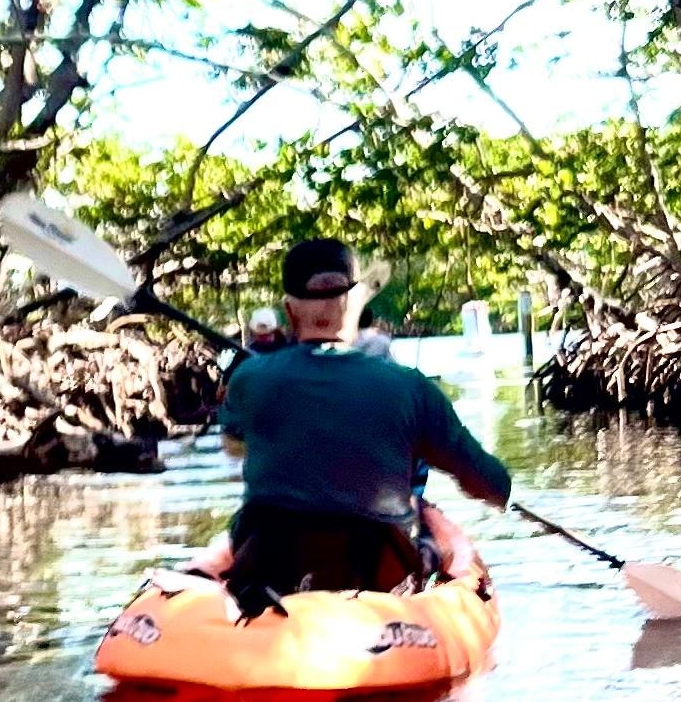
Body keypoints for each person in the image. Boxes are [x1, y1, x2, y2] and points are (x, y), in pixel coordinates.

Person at [199, 237, 515, 616]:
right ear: (356, 303)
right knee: (426, 535)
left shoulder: (249, 379)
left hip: (274, 570)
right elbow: (490, 485)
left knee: (259, 520)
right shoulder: (411, 387)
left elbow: (235, 445)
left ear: (288, 311)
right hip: (377, 579)